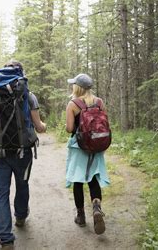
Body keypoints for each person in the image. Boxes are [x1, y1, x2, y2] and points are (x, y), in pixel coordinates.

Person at [0, 61, 47, 249]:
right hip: (23, 152)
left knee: (1, 192)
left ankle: (6, 239)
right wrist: (43, 127)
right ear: (21, 73)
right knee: (22, 185)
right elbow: (39, 127)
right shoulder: (28, 95)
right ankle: (21, 216)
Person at [65, 73, 110, 235]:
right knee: (93, 179)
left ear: (77, 87)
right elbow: (105, 125)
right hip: (96, 146)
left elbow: (70, 129)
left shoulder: (73, 104)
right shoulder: (99, 102)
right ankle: (97, 208)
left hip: (79, 147)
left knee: (78, 180)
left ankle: (81, 216)